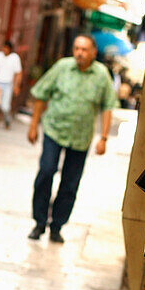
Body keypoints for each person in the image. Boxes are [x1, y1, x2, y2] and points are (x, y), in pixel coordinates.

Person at [27, 33, 118, 243]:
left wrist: (103, 138)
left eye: (84, 49)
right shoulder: (62, 67)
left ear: (94, 52)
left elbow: (107, 107)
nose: (79, 53)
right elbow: (41, 94)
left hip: (81, 138)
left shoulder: (102, 75)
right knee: (46, 171)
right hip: (54, 130)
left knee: (70, 184)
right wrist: (33, 126)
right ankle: (39, 222)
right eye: (77, 48)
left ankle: (57, 225)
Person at [0, 40, 22, 128]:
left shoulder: (14, 58)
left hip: (8, 84)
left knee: (5, 106)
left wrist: (16, 86)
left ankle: (7, 120)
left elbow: (18, 73)